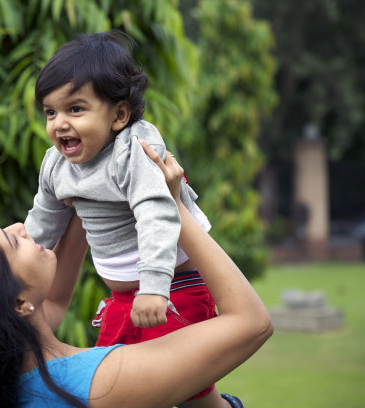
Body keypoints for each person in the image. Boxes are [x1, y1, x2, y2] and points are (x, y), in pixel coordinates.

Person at [0, 141, 273, 408]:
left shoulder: (4, 375)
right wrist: (170, 207)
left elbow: (56, 300)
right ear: (16, 303)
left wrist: (86, 192)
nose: (21, 228)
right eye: (11, 243)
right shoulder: (99, 385)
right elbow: (251, 323)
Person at [23, 30, 222, 405]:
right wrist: (7, 272)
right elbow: (43, 223)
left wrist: (154, 286)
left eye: (75, 109)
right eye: (51, 112)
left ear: (118, 115)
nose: (59, 123)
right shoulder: (56, 164)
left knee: (185, 388)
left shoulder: (134, 149)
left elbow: (156, 214)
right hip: (122, 296)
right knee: (113, 384)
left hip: (173, 283)